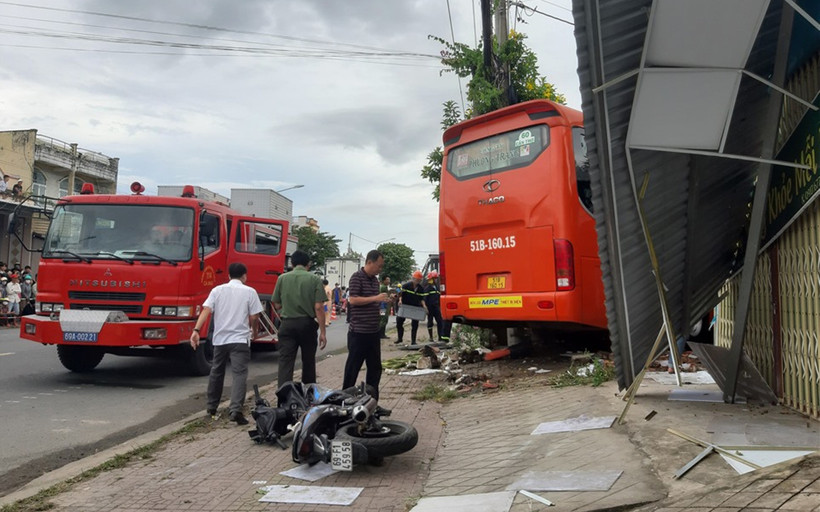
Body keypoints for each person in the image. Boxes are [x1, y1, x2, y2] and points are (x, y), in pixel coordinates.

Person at [190, 262, 262, 425]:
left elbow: (206, 310)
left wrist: (196, 330)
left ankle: (211, 407)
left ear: (228, 276)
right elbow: (255, 317)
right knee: (239, 375)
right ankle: (235, 410)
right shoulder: (250, 291)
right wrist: (255, 332)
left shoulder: (217, 290)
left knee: (216, 371)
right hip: (240, 340)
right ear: (244, 276)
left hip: (220, 339)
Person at [271, 250, 327, 389]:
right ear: (308, 264)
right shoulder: (314, 279)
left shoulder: (282, 278)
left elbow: (276, 304)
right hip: (307, 324)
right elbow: (319, 307)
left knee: (285, 362)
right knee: (308, 361)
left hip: (287, 324)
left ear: (292, 263)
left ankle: (284, 399)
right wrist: (323, 332)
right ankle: (308, 396)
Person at [342, 249, 388, 399]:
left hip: (373, 332)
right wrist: (376, 298)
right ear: (369, 262)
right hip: (358, 333)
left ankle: (372, 401)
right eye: (379, 266)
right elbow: (353, 300)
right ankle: (345, 400)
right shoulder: (356, 278)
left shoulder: (375, 281)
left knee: (375, 369)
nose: (380, 269)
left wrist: (385, 300)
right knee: (352, 369)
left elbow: (374, 300)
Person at [396, 270, 426, 345]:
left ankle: (413, 341)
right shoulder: (406, 285)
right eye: (416, 279)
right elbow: (400, 294)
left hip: (415, 307)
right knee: (399, 322)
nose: (417, 281)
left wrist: (425, 306)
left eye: (419, 280)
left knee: (415, 324)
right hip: (405, 305)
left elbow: (421, 298)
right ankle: (400, 339)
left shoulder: (420, 288)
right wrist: (400, 301)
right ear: (413, 279)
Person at [422, 271, 445, 342]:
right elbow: (424, 298)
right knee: (430, 322)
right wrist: (425, 307)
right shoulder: (427, 288)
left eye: (436, 278)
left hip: (436, 307)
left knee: (440, 321)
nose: (436, 280)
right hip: (430, 308)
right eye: (434, 278)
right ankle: (431, 337)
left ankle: (440, 337)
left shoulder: (437, 288)